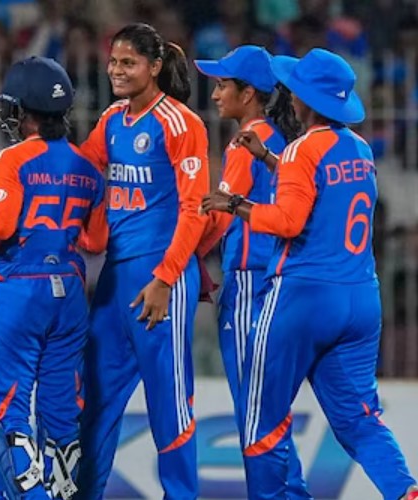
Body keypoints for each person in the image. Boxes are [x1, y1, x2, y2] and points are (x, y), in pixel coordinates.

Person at [201, 48, 418, 500]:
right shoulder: (359, 149)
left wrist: (235, 205)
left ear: (306, 98)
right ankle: (405, 491)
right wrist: (268, 159)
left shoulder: (302, 148)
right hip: (361, 297)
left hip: (304, 297)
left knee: (262, 418)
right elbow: (321, 186)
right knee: (359, 419)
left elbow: (288, 221)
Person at [0, 55, 104, 499]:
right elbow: (95, 240)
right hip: (69, 291)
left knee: (9, 410)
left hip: (19, 288)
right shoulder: (88, 167)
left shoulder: (12, 157)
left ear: (24, 110)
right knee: (62, 412)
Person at [75, 23, 210, 499]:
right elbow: (82, 169)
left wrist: (166, 278)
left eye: (128, 63)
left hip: (161, 276)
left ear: (153, 67)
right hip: (116, 277)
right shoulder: (112, 118)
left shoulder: (180, 123)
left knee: (169, 401)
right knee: (95, 397)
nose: (116, 70)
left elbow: (195, 210)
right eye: (113, 62)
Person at [192, 45, 309, 497]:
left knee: (252, 409)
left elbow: (220, 215)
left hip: (248, 283)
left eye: (223, 85)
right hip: (276, 280)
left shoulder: (248, 141)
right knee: (268, 408)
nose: (215, 94)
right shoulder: (280, 140)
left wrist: (184, 262)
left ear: (249, 94)